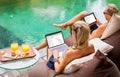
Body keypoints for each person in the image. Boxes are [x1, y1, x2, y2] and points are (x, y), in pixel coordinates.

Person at [35, 4, 119, 50]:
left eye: (104, 13)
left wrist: (85, 27)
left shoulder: (102, 28)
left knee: (73, 25)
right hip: (95, 29)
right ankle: (64, 24)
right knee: (84, 13)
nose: (103, 14)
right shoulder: (113, 23)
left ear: (108, 15)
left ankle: (36, 49)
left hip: (89, 34)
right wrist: (99, 23)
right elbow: (102, 30)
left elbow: (90, 39)